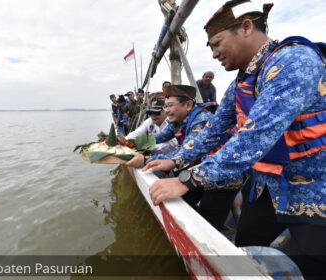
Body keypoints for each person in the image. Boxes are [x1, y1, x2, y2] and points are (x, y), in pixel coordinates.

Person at [143, 1, 326, 277]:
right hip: (264, 186)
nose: (215, 54)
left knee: (310, 266)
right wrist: (171, 160)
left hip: (313, 190)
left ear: (246, 27)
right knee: (244, 252)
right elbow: (213, 132)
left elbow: (254, 138)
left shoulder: (294, 61)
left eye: (217, 43)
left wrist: (187, 179)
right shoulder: (241, 82)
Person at [126, 85, 237, 230]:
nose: (166, 111)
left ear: (188, 105)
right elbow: (159, 137)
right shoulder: (178, 121)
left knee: (209, 223)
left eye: (170, 106)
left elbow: (185, 153)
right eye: (165, 106)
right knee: (183, 202)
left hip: (222, 175)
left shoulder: (201, 120)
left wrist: (145, 159)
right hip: (198, 169)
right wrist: (130, 143)